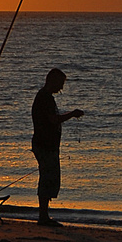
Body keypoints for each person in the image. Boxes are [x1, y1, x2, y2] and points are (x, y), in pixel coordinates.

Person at [31, 67, 83, 225]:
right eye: (60, 83)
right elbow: (53, 120)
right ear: (51, 81)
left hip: (47, 144)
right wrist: (72, 114)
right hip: (44, 144)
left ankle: (44, 215)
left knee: (49, 178)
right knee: (47, 179)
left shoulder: (47, 97)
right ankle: (43, 217)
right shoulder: (44, 98)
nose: (61, 88)